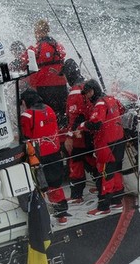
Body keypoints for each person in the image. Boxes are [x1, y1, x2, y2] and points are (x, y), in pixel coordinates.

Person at [20, 89, 69, 224]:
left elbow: (26, 138)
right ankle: (61, 214)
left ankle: (42, 216)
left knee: (39, 186)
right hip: (55, 152)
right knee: (55, 184)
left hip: (39, 156)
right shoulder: (49, 109)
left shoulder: (27, 115)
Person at [80, 79, 127, 216]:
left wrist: (82, 126)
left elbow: (96, 124)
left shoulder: (100, 104)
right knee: (117, 170)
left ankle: (103, 207)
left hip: (107, 144)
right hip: (119, 141)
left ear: (93, 90)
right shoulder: (111, 99)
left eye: (87, 93)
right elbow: (123, 110)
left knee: (106, 174)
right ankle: (118, 201)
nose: (86, 96)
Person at [20, 19, 68, 126]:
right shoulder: (59, 47)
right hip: (61, 87)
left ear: (39, 32)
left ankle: (46, 133)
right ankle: (63, 133)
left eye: (36, 32)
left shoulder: (35, 49)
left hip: (44, 88)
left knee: (46, 115)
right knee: (61, 114)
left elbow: (22, 63)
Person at [61, 59, 94, 205]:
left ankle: (76, 195)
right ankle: (102, 188)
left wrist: (69, 136)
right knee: (93, 160)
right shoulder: (89, 85)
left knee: (75, 163)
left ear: (68, 76)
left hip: (79, 135)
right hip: (92, 132)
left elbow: (75, 117)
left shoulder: (74, 93)